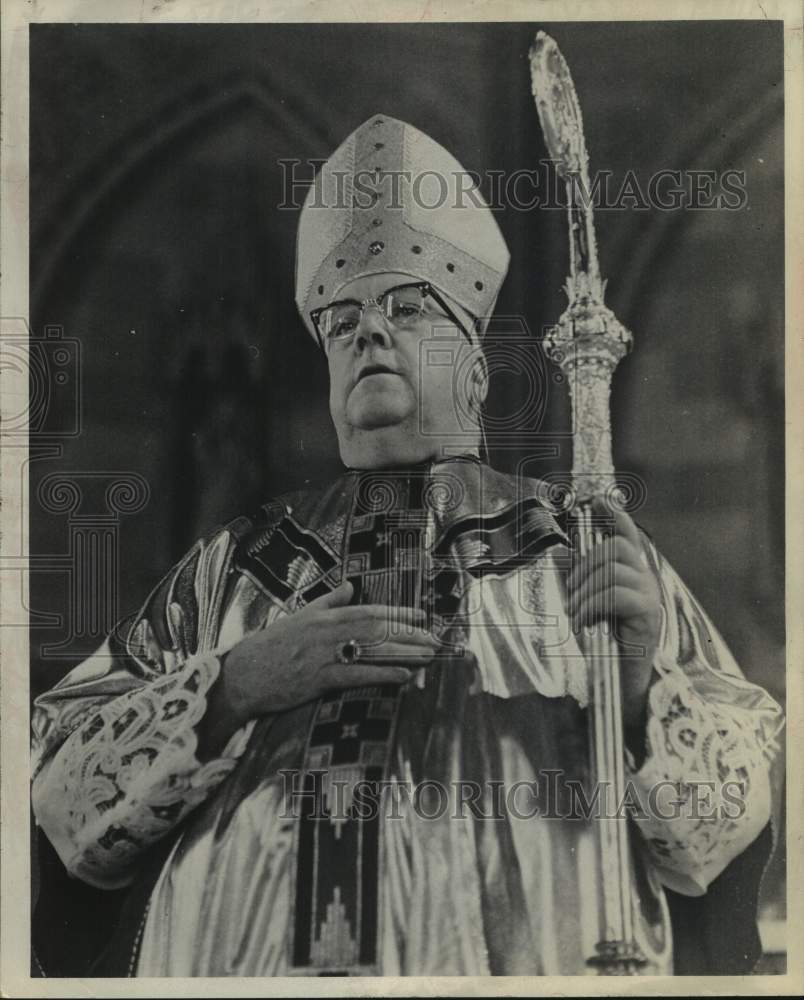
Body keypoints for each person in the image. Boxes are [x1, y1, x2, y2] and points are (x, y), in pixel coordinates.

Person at [31, 115, 783, 977]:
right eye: (342, 318)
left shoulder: (582, 550)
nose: (368, 332)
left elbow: (728, 828)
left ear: (479, 366)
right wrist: (231, 688)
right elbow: (56, 804)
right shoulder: (228, 571)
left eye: (408, 307)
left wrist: (646, 690)